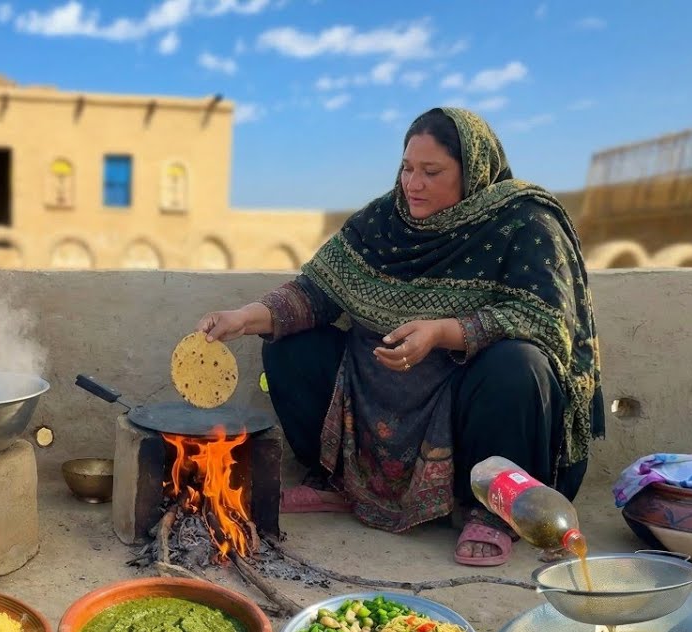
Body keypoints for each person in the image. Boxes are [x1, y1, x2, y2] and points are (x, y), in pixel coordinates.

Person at [197, 108, 604, 567]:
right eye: (408, 168)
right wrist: (243, 318)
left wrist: (444, 333)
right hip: (375, 392)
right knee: (290, 346)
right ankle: (337, 482)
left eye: (432, 172)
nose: (414, 184)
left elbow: (544, 320)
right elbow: (315, 291)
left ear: (472, 173)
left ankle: (491, 512)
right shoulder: (381, 222)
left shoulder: (523, 222)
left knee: (520, 366)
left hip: (465, 398)